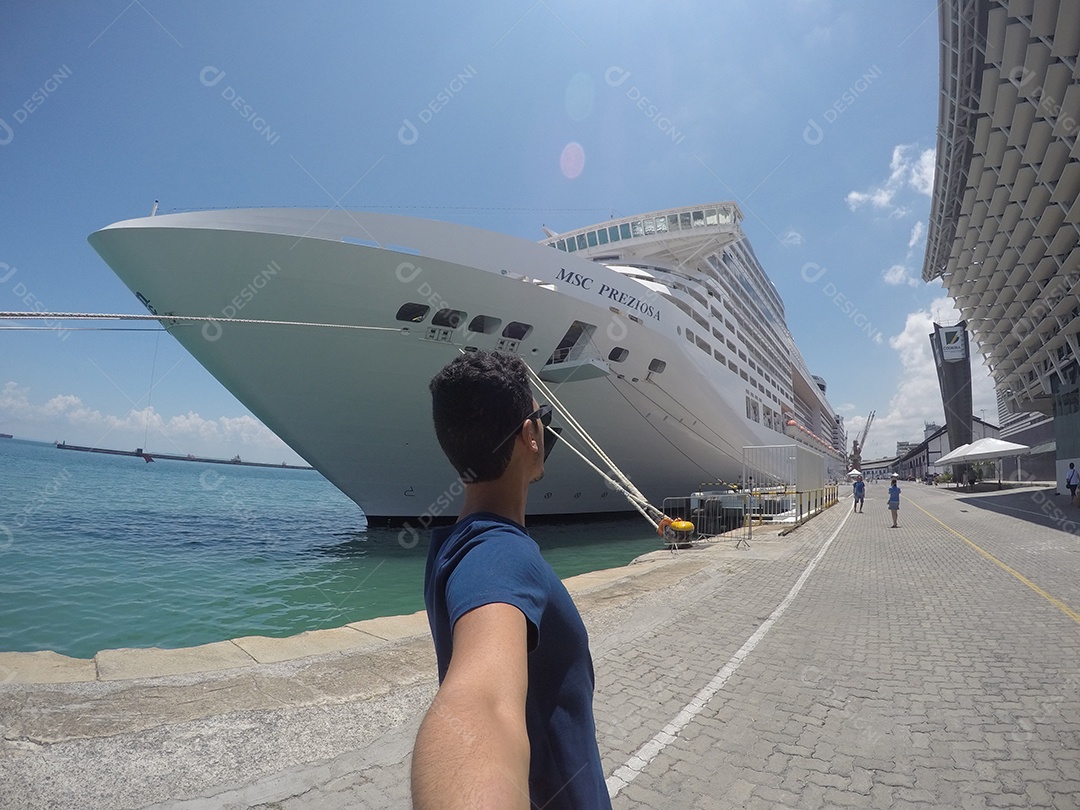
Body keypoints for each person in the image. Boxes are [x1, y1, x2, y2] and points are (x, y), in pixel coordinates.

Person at [412, 350, 611, 810]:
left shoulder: (455, 544)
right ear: (530, 436)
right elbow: (480, 704)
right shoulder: (500, 556)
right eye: (542, 418)